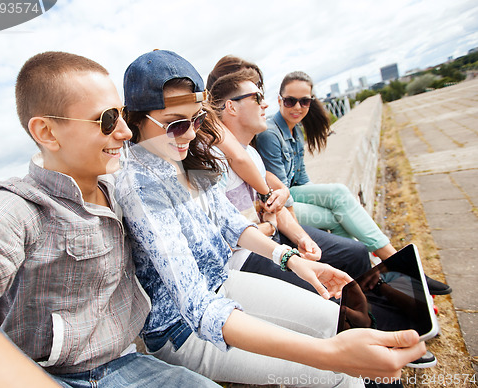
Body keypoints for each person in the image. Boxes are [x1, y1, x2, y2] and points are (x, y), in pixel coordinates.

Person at [116, 49, 425, 386]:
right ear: (136, 119)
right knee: (339, 373)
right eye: (176, 123)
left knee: (337, 320)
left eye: (197, 120)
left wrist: (292, 259)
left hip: (225, 284)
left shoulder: (181, 153)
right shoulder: (140, 186)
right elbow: (197, 306)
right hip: (183, 329)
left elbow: (230, 222)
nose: (190, 133)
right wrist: (330, 356)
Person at [0, 51, 219, 388]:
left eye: (122, 115)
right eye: (107, 120)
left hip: (125, 364)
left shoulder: (119, 186)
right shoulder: (17, 208)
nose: (124, 132)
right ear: (47, 132)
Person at [255, 70, 451, 296]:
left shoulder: (295, 130)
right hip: (281, 206)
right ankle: (394, 264)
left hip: (294, 195)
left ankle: (365, 280)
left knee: (339, 207)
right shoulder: (271, 133)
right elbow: (282, 190)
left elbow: (302, 180)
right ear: (279, 100)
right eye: (290, 101)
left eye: (305, 101)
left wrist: (329, 201)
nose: (297, 107)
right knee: (338, 202)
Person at [210, 68, 371, 288]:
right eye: (256, 98)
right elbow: (218, 239)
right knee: (328, 293)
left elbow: (276, 208)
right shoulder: (215, 162)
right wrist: (271, 228)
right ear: (231, 106)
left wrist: (302, 238)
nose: (265, 105)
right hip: (247, 257)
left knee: (356, 253)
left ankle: (375, 306)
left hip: (273, 241)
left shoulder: (251, 154)